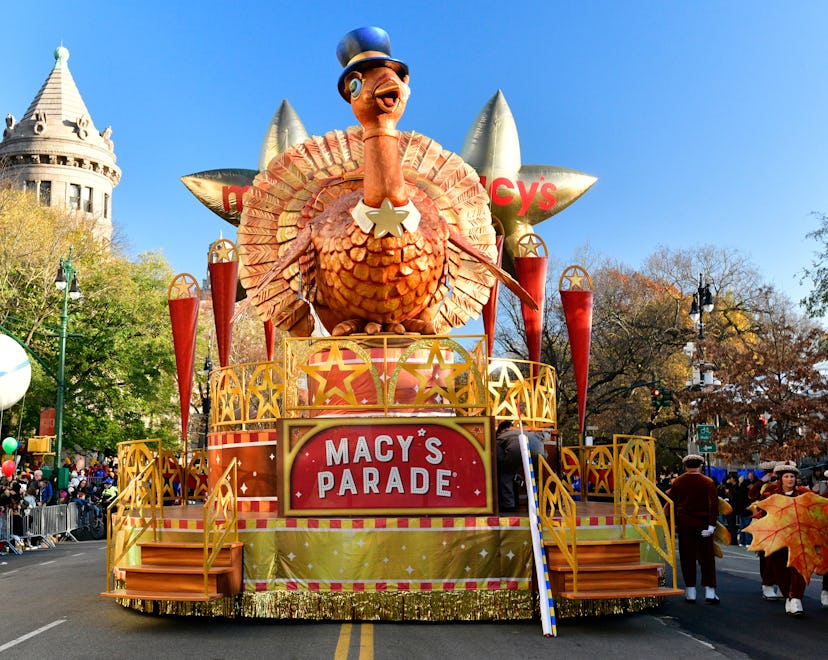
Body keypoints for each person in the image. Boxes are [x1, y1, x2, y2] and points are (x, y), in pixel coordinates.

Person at [757, 462, 811, 615]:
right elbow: (762, 513)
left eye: (792, 476)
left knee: (798, 568)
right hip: (777, 538)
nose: (790, 479)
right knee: (780, 569)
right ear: (781, 479)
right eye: (786, 476)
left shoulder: (803, 493)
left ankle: (796, 599)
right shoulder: (770, 494)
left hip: (799, 538)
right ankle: (788, 595)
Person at [667, 453, 720, 603]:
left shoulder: (678, 482)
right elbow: (713, 505)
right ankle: (710, 591)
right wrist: (711, 525)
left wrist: (674, 523)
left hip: (685, 524)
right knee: (707, 558)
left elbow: (672, 504)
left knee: (687, 557)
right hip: (703, 523)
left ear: (685, 466)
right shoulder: (708, 482)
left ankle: (690, 591)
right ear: (701, 466)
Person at [495, 420, 546, 513]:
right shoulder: (526, 432)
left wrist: (506, 467)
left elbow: (499, 457)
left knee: (506, 474)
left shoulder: (499, 437)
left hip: (515, 448)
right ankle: (533, 504)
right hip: (538, 448)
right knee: (535, 478)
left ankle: (509, 505)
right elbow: (543, 438)